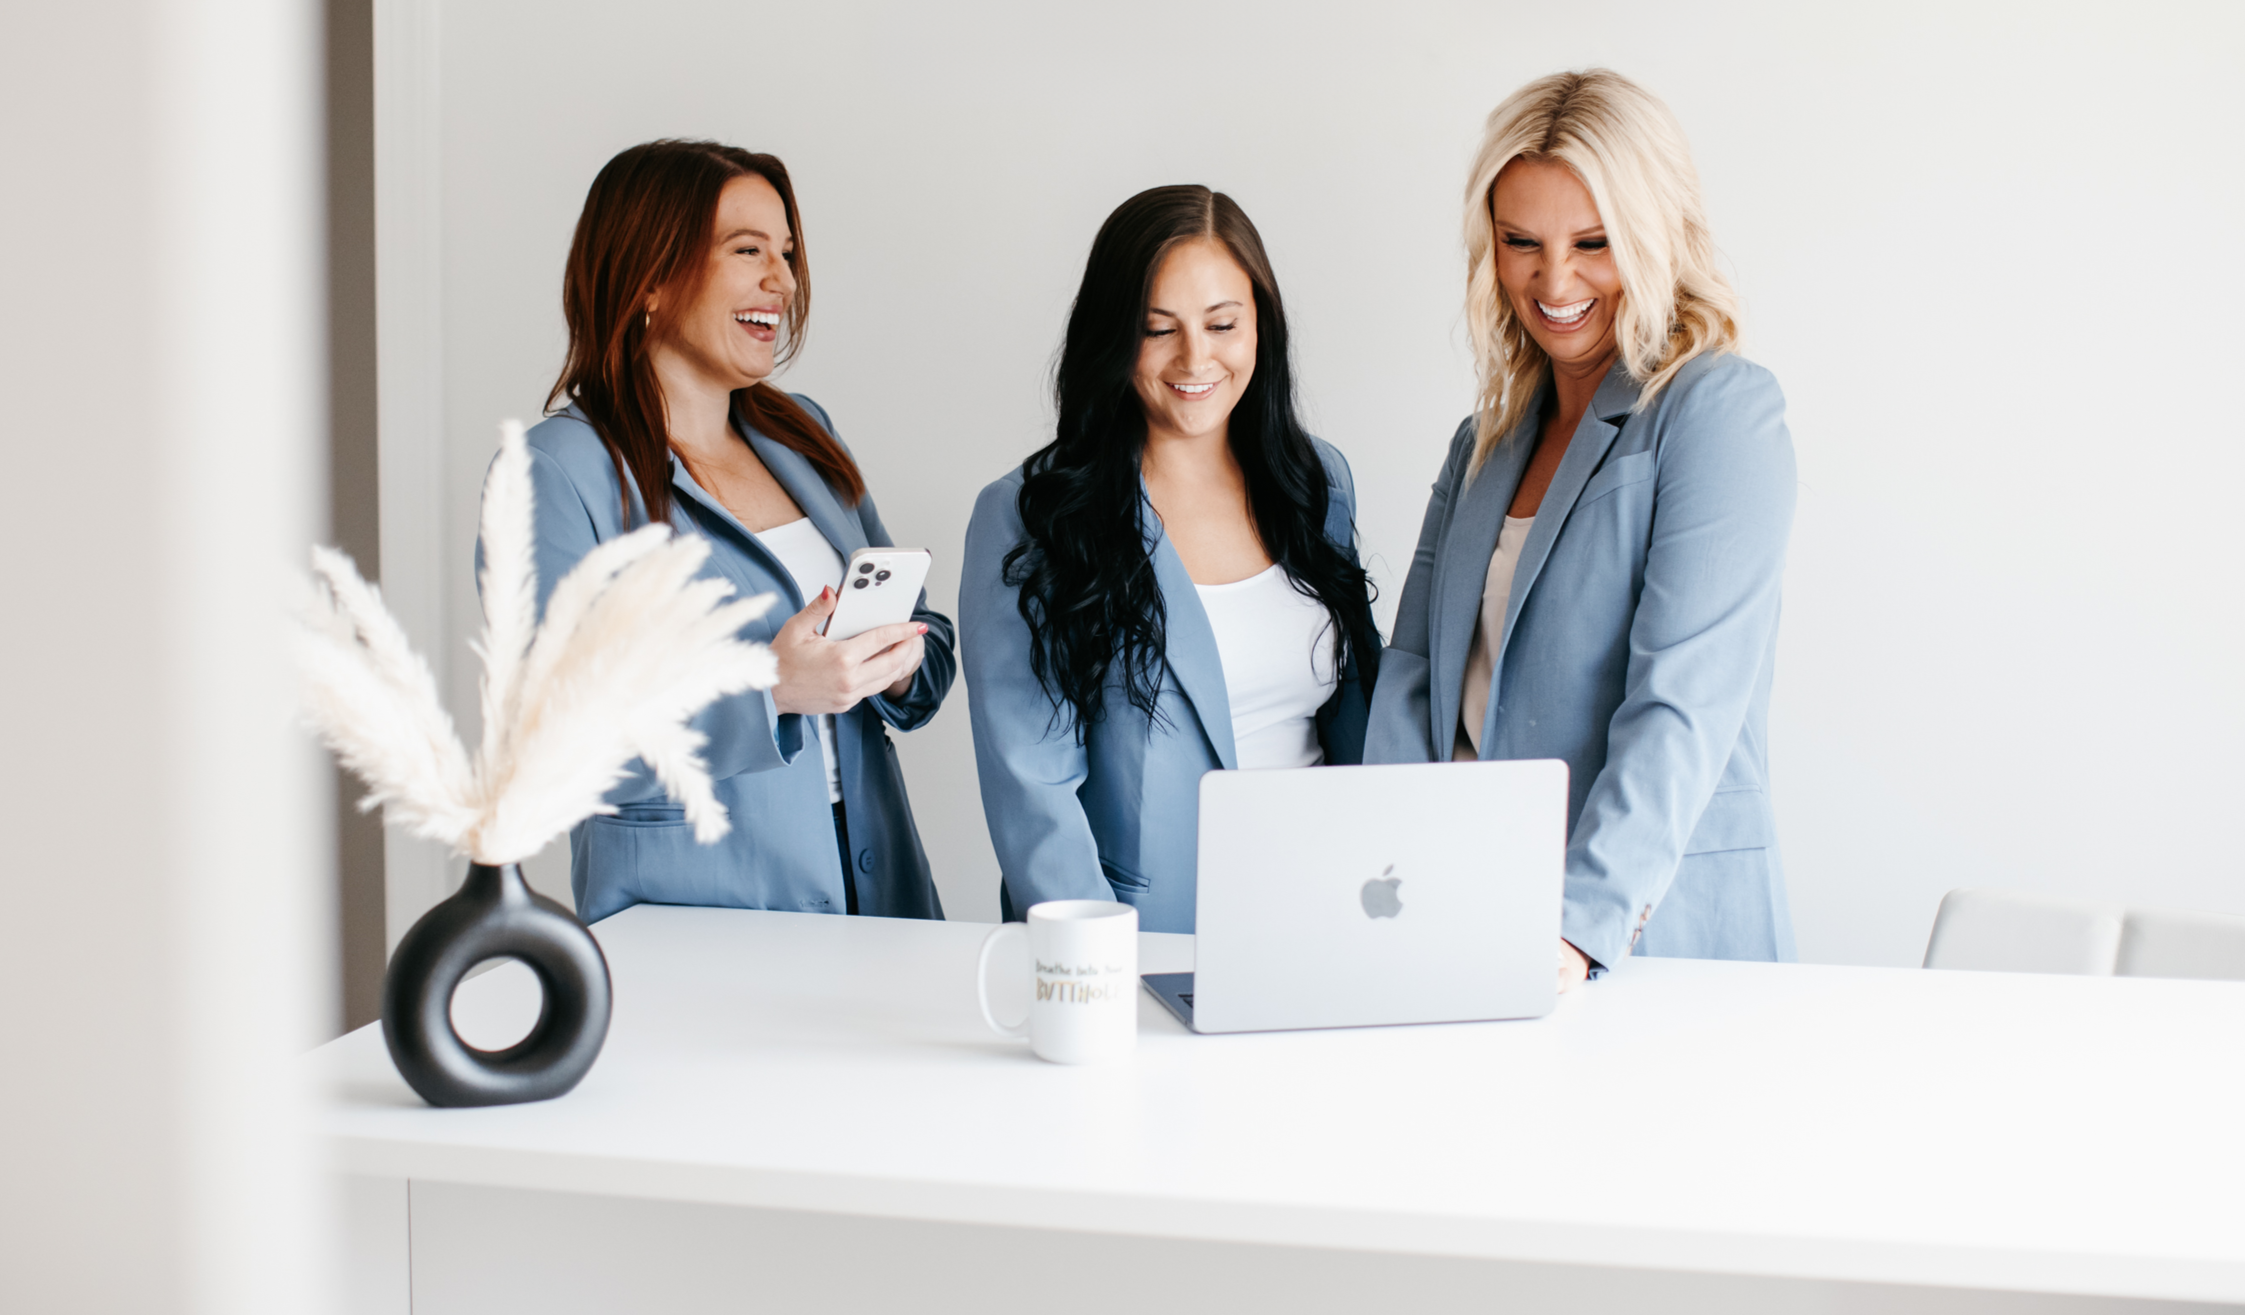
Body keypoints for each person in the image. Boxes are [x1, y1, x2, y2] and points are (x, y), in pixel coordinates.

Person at [1364, 70, 1797, 988]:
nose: (1552, 281)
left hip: (1646, 940)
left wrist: (1572, 934)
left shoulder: (1716, 412)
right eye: (1521, 241)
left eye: (1592, 243)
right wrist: (1381, 880)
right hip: (1465, 917)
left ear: (1653, 235)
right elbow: (1412, 675)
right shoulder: (1483, 442)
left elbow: (1679, 708)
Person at [485, 139, 954, 923]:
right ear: (651, 278)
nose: (783, 279)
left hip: (875, 884)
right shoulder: (554, 471)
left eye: (787, 253)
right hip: (699, 916)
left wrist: (902, 660)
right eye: (748, 250)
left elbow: (924, 635)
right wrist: (769, 689)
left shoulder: (806, 432)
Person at [962, 185, 1381, 933]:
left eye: (1223, 324)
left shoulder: (1317, 482)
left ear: (1261, 327)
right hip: (1146, 935)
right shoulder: (1030, 514)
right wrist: (1096, 966)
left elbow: (1355, 712)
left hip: (1326, 911)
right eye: (1158, 330)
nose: (1195, 358)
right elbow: (1034, 790)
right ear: (1112, 335)